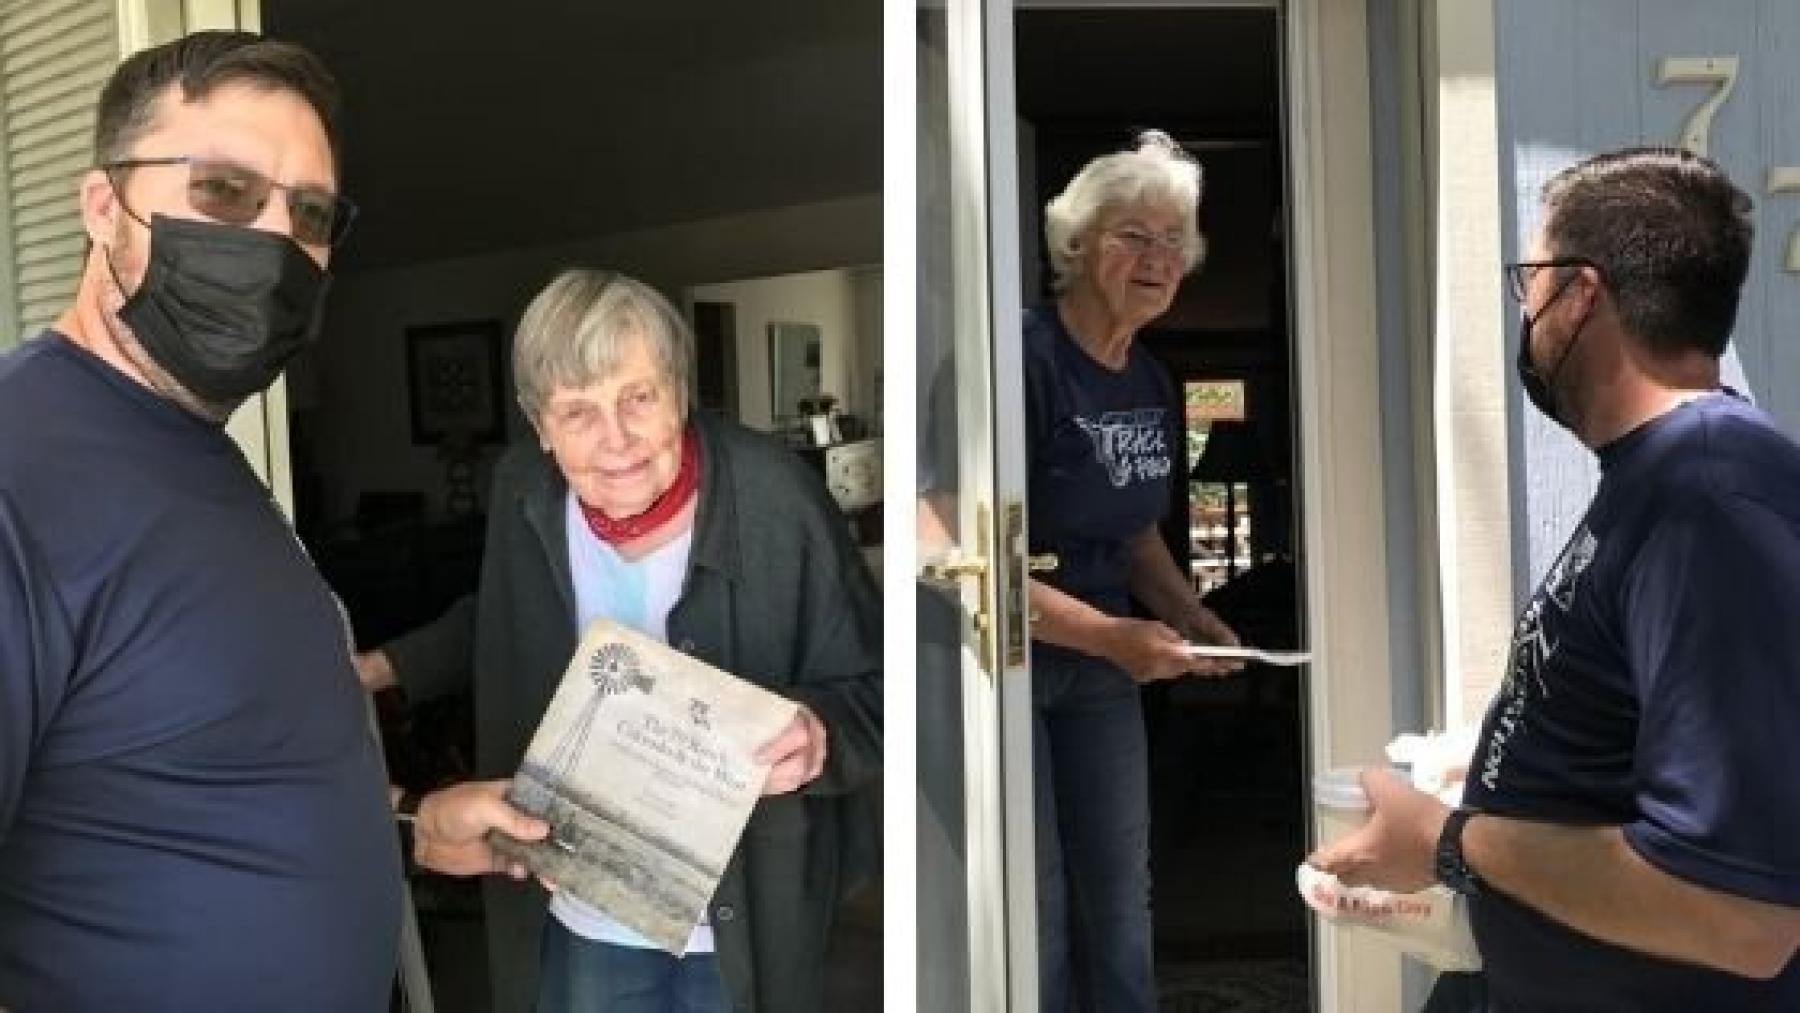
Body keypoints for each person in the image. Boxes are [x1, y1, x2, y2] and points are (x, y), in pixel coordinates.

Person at [1310, 147, 1800, 1010]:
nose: (1525, 312)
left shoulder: (1711, 499)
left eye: (1528, 283)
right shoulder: (1656, 480)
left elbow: (1745, 915)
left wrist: (1451, 843)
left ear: (1579, 294)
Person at [356, 269, 882, 1013]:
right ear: (539, 425)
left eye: (639, 396)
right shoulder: (523, 489)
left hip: (743, 913)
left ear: (680, 388)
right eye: (577, 412)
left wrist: (818, 733)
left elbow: (882, 683)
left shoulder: (778, 498)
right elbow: (501, 611)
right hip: (583, 896)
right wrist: (372, 669)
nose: (617, 441)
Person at [0, 31, 400, 1010]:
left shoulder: (203, 455)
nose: (274, 242)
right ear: (105, 206)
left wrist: (412, 824)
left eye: (310, 214)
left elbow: (208, 769)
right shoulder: (19, 475)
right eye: (225, 191)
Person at [935, 129, 1244, 1011]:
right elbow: (968, 547)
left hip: (1106, 663)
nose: (1157, 258)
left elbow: (1136, 535)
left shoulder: (1149, 379)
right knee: (1032, 900)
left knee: (1120, 891)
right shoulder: (1019, 359)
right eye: (1132, 235)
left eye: (1171, 242)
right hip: (1018, 656)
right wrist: (1111, 636)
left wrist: (1193, 616)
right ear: (1078, 245)